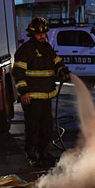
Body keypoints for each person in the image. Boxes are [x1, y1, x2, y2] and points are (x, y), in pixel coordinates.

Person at [13, 17, 69, 167]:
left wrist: (62, 70)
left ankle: (44, 153)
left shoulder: (47, 48)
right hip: (31, 97)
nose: (42, 36)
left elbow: (57, 62)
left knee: (46, 127)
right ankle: (31, 153)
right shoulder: (25, 51)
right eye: (39, 34)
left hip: (46, 96)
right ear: (32, 35)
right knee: (33, 127)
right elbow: (18, 73)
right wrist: (23, 92)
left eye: (44, 33)